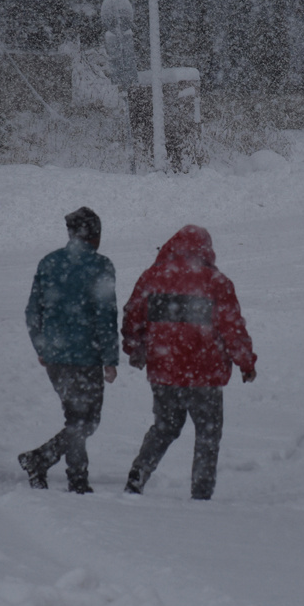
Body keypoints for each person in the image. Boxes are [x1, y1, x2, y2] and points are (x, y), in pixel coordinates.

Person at [121, 225, 257, 500]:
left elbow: (132, 316)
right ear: (206, 250)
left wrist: (135, 348)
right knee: (207, 435)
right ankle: (201, 493)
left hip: (164, 371)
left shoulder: (152, 277)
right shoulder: (217, 282)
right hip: (204, 374)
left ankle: (138, 473)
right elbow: (232, 328)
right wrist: (245, 362)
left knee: (165, 427)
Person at [19, 207, 119, 494]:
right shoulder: (101, 266)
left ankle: (69, 473)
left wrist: (41, 345)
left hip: (55, 358)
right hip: (86, 357)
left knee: (76, 419)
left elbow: (32, 311)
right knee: (87, 421)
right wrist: (110, 360)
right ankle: (58, 469)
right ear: (94, 234)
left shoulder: (49, 262)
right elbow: (106, 316)